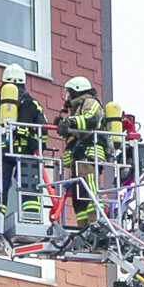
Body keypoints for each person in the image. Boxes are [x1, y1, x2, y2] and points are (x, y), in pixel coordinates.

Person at [0, 64, 46, 219]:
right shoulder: (33, 103)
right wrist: (39, 144)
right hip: (25, 153)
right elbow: (43, 127)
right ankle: (31, 217)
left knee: (0, 184)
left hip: (3, 150)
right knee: (28, 185)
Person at [55, 76, 107, 225]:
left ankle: (95, 223)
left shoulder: (91, 102)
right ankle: (83, 227)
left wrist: (70, 122)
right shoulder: (77, 108)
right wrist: (65, 124)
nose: (68, 97)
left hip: (88, 155)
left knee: (89, 191)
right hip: (78, 159)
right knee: (79, 197)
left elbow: (90, 119)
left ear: (77, 91)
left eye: (69, 92)